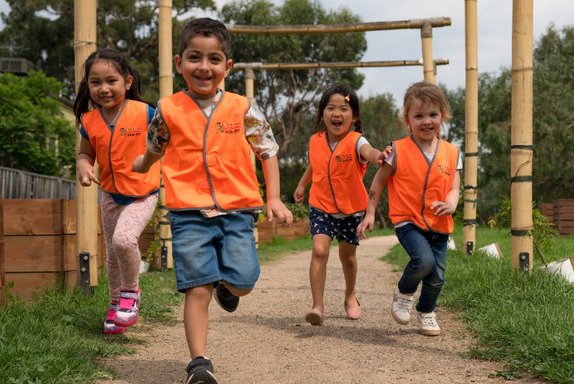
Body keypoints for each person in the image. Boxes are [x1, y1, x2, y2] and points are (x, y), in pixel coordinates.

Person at [131, 18, 293, 384]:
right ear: (179, 63)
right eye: (194, 58)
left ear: (227, 66)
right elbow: (154, 148)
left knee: (245, 281)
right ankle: (199, 363)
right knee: (196, 287)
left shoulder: (243, 107)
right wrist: (141, 163)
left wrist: (275, 198)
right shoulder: (168, 109)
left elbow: (266, 151)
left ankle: (228, 287)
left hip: (237, 210)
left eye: (214, 59)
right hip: (188, 212)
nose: (204, 67)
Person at [357, 81, 462, 337]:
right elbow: (379, 181)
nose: (427, 121)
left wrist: (451, 204)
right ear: (408, 119)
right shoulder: (397, 151)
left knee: (437, 276)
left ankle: (427, 312)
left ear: (443, 116)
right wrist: (370, 212)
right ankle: (404, 293)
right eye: (419, 116)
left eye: (433, 115)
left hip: (439, 224)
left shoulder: (452, 152)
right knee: (423, 261)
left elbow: (455, 187)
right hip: (408, 221)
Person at [73, 48, 161, 335]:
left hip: (143, 193)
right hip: (110, 195)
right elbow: (84, 155)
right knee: (111, 253)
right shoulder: (90, 121)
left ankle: (131, 294)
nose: (103, 88)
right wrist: (84, 167)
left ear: (127, 81)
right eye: (95, 82)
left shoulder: (146, 112)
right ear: (88, 86)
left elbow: (168, 139)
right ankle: (114, 306)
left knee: (124, 241)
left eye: (111, 81)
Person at [293, 84, 389, 326]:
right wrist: (302, 185)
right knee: (319, 251)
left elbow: (368, 151)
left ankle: (350, 296)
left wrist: (379, 157)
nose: (337, 114)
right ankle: (317, 306)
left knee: (347, 257)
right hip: (321, 206)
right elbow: (314, 165)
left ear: (353, 116)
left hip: (350, 210)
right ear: (322, 113)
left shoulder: (356, 140)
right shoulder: (315, 140)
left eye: (344, 109)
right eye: (331, 108)